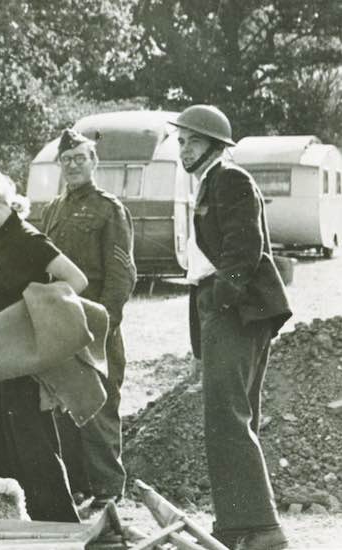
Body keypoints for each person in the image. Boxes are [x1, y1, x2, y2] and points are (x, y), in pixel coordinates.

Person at [172, 105, 292, 550]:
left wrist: (222, 302)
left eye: (194, 141)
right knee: (231, 418)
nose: (185, 149)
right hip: (225, 310)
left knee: (228, 419)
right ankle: (237, 525)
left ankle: (261, 529)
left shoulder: (230, 179)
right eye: (181, 141)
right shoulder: (209, 184)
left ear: (216, 146)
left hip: (236, 311)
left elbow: (245, 249)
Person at [0, 164, 87, 523]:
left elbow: (77, 280)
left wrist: (34, 316)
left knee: (33, 444)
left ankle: (59, 524)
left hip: (26, 358)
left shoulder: (30, 240)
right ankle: (10, 521)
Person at [40, 129, 137, 513]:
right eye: (67, 160)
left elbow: (121, 274)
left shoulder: (109, 209)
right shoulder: (52, 210)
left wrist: (104, 323)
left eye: (80, 158)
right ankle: (76, 489)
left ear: (94, 162)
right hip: (60, 324)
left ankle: (108, 494)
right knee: (63, 406)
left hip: (96, 324)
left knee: (99, 407)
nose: (73, 165)